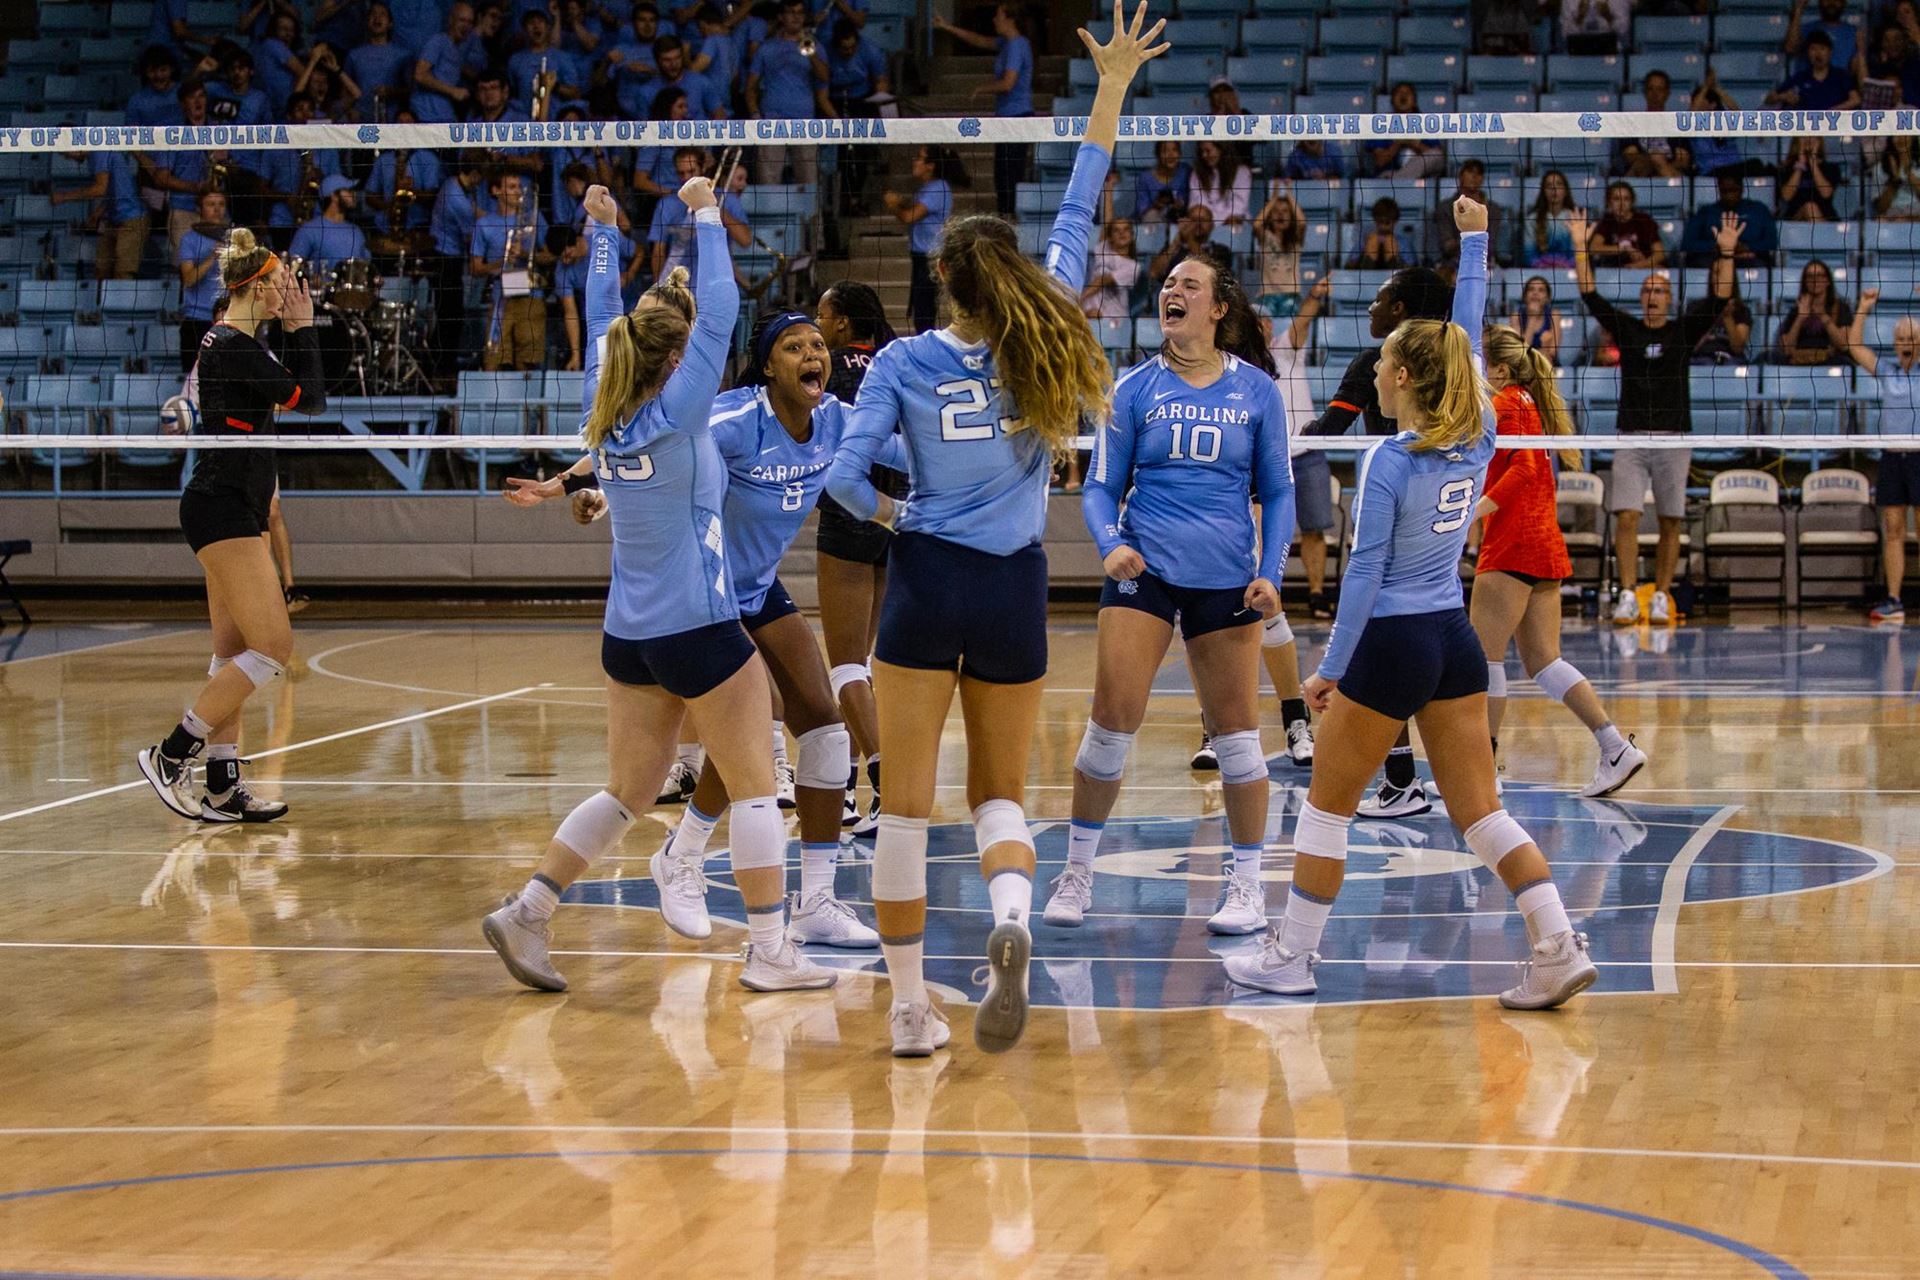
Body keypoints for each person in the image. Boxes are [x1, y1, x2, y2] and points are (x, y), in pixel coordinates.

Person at [824, 0, 1164, 1059]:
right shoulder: (1049, 320)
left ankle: (916, 1006)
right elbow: (1079, 196)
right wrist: (1108, 86)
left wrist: (899, 513)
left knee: (908, 809)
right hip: (1016, 583)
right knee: (1003, 794)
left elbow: (840, 482)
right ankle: (1014, 922)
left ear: (940, 282)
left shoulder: (901, 362)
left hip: (926, 577)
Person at [1222, 195, 1600, 1013]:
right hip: (1453, 638)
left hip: (1393, 641)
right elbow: (1462, 335)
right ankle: (1557, 943)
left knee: (1326, 807)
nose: (1379, 373)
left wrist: (1327, 670)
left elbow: (1361, 579)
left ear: (1398, 377)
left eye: (1386, 363)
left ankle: (1291, 956)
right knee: (1482, 814)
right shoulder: (1479, 435)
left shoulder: (1392, 460)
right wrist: (1474, 240)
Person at [481, 176, 838, 995]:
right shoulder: (680, 410)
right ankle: (772, 952)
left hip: (629, 634)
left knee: (629, 790)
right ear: (677, 360)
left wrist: (603, 230)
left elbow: (608, 312)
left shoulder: (600, 407)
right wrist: (704, 212)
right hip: (702, 627)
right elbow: (718, 305)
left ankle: (531, 910)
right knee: (754, 788)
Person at [510, 312, 889, 948]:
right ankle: (687, 863)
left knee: (825, 735)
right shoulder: (734, 419)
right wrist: (582, 485)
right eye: (793, 346)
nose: (811, 353)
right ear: (768, 366)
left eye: (818, 344)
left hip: (759, 589)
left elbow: (899, 449)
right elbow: (646, 446)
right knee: (753, 737)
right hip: (704, 597)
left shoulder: (835, 423)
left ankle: (816, 902)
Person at [1046, 248, 1293, 937]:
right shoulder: (1133, 388)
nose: (1172, 292)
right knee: (1108, 726)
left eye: (1190, 285)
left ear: (1218, 309)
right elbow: (1099, 485)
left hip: (1225, 579)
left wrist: (1270, 572)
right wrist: (1109, 545)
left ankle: (1247, 886)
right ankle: (1078, 872)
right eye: (1168, 284)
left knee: (1239, 739)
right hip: (1144, 571)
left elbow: (1276, 490)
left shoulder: (1257, 393)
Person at [136, 228, 325, 824]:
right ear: (259, 286)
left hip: (237, 505)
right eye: (281, 283)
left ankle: (222, 783)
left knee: (233, 651)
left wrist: (289, 332)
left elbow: (288, 398)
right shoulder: (231, 345)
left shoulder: (243, 343)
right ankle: (172, 754)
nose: (288, 290)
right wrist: (304, 328)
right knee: (273, 648)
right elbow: (311, 399)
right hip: (220, 507)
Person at [1473, 325, 1649, 796]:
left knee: (1484, 662)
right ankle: (1615, 747)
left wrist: (1476, 508)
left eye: (1479, 363)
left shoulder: (1506, 402)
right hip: (1542, 543)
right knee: (1544, 662)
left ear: (1501, 369)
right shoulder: (1527, 403)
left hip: (1512, 545)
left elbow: (1525, 468)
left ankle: (1483, 770)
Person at [1569, 207, 1741, 626]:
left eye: (1659, 290)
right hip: (1631, 436)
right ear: (1641, 297)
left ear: (1668, 298)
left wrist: (1727, 253)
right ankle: (1628, 593)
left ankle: (1662, 595)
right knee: (1626, 515)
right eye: (1647, 290)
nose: (1652, 295)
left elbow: (1720, 298)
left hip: (1673, 437)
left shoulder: (1683, 330)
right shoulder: (1627, 329)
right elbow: (1589, 295)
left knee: (1670, 519)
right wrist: (1579, 244)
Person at [811, 280, 902, 834]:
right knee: (861, 666)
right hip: (891, 514)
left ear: (842, 322)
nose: (814, 329)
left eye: (821, 317)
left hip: (847, 513)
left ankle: (886, 781)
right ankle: (843, 785)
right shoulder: (895, 362)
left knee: (844, 664)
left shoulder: (825, 370)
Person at [1268, 276, 1333, 742]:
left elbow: (1304, 320)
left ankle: (1314, 594)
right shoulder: (1242, 361)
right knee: (1270, 527)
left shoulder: (1285, 347)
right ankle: (1268, 592)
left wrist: (1314, 295)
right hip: (1270, 451)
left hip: (1307, 445)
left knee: (1315, 528)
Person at [1844, 290, 1920, 622]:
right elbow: (1854, 347)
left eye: (1912, 338)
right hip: (1892, 457)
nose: (1906, 342)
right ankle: (1893, 599)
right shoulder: (1887, 372)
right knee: (1893, 529)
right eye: (1901, 338)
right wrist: (1862, 309)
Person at [934, 3, 1035, 215]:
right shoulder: (1006, 43)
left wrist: (981, 88)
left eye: (998, 16)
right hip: (1005, 118)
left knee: (1010, 176)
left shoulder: (1017, 45)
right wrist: (948, 27)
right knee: (1002, 175)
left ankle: (1010, 220)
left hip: (1017, 119)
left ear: (1010, 19)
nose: (994, 20)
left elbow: (1008, 83)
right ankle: (1004, 217)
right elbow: (980, 40)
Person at [469, 169, 552, 372]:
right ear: (496, 191)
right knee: (494, 359)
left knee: (528, 360)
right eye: (511, 187)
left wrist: (524, 253)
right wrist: (502, 261)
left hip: (530, 293)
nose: (518, 192)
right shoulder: (484, 224)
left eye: (519, 188)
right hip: (500, 296)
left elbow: (549, 257)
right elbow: (475, 268)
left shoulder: (533, 217)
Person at [745, 0, 831, 187]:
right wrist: (755, 114)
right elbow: (750, 87)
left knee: (809, 182)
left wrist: (808, 48)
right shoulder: (766, 48)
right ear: (781, 17)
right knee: (768, 181)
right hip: (772, 122)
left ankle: (812, 218)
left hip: (805, 120)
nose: (795, 17)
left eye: (800, 13)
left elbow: (824, 76)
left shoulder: (815, 46)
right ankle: (769, 217)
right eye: (791, 12)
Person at [883, 145, 962, 334]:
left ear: (930, 165)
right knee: (921, 310)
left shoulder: (938, 188)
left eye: (919, 158)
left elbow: (909, 216)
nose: (914, 161)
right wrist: (901, 201)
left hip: (930, 259)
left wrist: (893, 205)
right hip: (922, 257)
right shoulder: (930, 188)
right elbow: (917, 208)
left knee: (924, 313)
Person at [52, 148, 149, 282]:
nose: (67, 158)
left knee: (123, 272)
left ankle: (119, 303)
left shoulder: (99, 152)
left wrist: (64, 197)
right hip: (114, 218)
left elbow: (100, 189)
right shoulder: (95, 156)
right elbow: (114, 188)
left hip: (132, 218)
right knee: (101, 269)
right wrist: (98, 213)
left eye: (65, 153)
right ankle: (102, 302)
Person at [177, 189, 230, 375]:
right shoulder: (189, 240)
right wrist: (212, 257)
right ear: (200, 208)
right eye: (210, 204)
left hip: (228, 321)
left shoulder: (234, 238)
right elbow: (189, 279)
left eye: (221, 204)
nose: (217, 209)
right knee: (193, 381)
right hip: (197, 321)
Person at [1681, 171, 1777, 265]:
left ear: (1742, 189)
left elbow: (1771, 242)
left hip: (1749, 258)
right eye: (1724, 191)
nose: (1729, 195)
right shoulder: (1706, 212)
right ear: (1719, 190)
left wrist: (1747, 247)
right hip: (1715, 258)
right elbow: (1687, 244)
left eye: (1733, 190)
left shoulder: (1758, 209)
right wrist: (1719, 246)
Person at [1610, 70, 1693, 179]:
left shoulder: (1677, 124)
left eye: (1660, 89)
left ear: (1667, 94)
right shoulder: (1631, 123)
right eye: (1651, 89)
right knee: (1650, 161)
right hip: (1639, 174)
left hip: (1668, 173)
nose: (1655, 94)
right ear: (1645, 92)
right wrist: (1654, 160)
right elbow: (1630, 156)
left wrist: (1661, 166)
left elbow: (1683, 161)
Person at [287, 175, 371, 276]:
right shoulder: (309, 230)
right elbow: (292, 268)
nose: (353, 194)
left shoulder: (356, 231)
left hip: (353, 291)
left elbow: (365, 268)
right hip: (320, 290)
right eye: (348, 190)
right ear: (334, 196)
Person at [1433, 159, 1506, 273]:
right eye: (1470, 171)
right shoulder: (1445, 208)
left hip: (1485, 263)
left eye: (1479, 173)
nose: (1474, 176)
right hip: (1453, 264)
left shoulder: (1493, 209)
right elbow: (1447, 246)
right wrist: (1473, 237)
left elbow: (1491, 244)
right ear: (1461, 176)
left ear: (1482, 179)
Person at [411, 1, 479, 123]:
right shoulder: (438, 41)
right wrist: (453, 91)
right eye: (462, 20)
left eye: (470, 22)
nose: (466, 26)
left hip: (444, 113)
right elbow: (420, 75)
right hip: (427, 113)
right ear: (451, 20)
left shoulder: (458, 49)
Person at [1775, 260, 1854, 364]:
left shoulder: (1841, 308)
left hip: (1830, 361)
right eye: (1810, 276)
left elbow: (1843, 345)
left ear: (1827, 281)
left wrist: (1823, 316)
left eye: (1820, 275)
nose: (1815, 280)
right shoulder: (1796, 311)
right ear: (1805, 282)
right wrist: (1800, 318)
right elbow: (1787, 350)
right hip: (1799, 361)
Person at [1767, 29, 1861, 110]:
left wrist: (1831, 112)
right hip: (1807, 129)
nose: (1818, 54)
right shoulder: (1800, 77)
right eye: (1813, 49)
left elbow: (1856, 100)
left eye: (1822, 49)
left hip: (1835, 127)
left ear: (1830, 52)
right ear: (1808, 53)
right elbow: (1770, 98)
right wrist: (1783, 97)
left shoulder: (1841, 76)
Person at [1587, 181, 1666, 268]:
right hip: (1615, 273)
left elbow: (1660, 254)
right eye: (1616, 199)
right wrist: (1624, 248)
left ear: (1632, 202)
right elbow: (1593, 248)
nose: (1621, 204)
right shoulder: (1607, 221)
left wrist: (1639, 265)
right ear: (1609, 203)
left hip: (1643, 267)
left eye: (1626, 199)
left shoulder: (1644, 220)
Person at [1253, 187, 1305, 319]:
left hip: (1290, 294)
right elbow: (1257, 224)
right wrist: (1274, 197)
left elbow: (1302, 222)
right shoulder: (1266, 238)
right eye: (1276, 211)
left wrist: (1288, 193)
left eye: (1285, 211)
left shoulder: (1295, 240)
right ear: (1270, 217)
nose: (1280, 215)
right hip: (1267, 295)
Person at [1081, 214, 1143, 322]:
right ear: (1110, 237)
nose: (1121, 233)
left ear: (1132, 235)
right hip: (1086, 315)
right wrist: (1108, 196)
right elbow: (1107, 220)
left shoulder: (1133, 267)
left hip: (1112, 321)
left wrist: (1078, 300)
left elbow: (1102, 280)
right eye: (1116, 230)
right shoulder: (1103, 249)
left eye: (1126, 229)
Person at [1778, 137, 1844, 222]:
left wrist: (1813, 163)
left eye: (1813, 136)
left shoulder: (1830, 168)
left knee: (1812, 208)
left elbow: (1826, 193)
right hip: (1795, 218)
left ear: (1819, 141)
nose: (1808, 139)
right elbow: (1786, 196)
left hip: (1826, 216)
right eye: (1804, 136)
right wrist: (1800, 165)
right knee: (1810, 207)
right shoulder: (1787, 168)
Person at [1188, 139, 1250, 228]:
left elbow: (1238, 208)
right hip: (1203, 227)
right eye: (1201, 152)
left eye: (1208, 151)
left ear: (1221, 149)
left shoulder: (1242, 172)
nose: (1204, 155)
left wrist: (1213, 220)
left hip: (1233, 227)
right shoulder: (1196, 174)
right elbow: (1195, 205)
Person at [1522, 169, 1576, 269]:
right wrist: (1545, 266)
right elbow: (1528, 256)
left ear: (1565, 191)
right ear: (1543, 191)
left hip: (1570, 274)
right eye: (1549, 186)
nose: (1554, 189)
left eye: (1559, 184)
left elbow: (1578, 254)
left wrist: (1564, 266)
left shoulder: (1576, 218)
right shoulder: (1531, 220)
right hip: (1539, 273)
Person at [1508, 274, 1561, 366]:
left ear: (1547, 298)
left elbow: (1553, 352)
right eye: (1531, 289)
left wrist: (1544, 351)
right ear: (1525, 296)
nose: (1535, 293)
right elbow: (1520, 352)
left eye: (1541, 290)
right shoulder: (1516, 317)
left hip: (1547, 365)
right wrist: (1532, 318)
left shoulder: (1554, 315)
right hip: (1523, 365)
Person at [1134, 139, 1190, 225]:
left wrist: (1180, 204)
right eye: (1165, 151)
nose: (1170, 155)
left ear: (1180, 153)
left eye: (1174, 150)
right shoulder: (1145, 177)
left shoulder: (1186, 171)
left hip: (1181, 218)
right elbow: (1141, 210)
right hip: (1154, 220)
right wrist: (1157, 205)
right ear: (1158, 155)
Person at [1350, 197, 1413, 269]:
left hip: (1395, 276)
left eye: (1387, 223)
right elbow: (1349, 267)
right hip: (1367, 276)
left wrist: (1394, 257)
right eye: (1380, 222)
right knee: (1372, 244)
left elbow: (1411, 269)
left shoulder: (1403, 243)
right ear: (1375, 220)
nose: (1383, 226)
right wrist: (1367, 255)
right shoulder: (1364, 241)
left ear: (1395, 221)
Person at [1873, 135, 1920, 220]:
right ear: (1891, 139)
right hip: (1892, 217)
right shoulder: (1879, 168)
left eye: (1906, 135)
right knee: (1880, 219)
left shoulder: (1918, 166)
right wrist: (1895, 180)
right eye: (1897, 135)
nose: (1901, 138)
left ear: (1913, 138)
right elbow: (1881, 208)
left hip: (1916, 216)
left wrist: (1907, 171)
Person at [1562, 0, 1626, 54]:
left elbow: (1624, 32)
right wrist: (1580, 17)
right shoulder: (1569, 1)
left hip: (1613, 54)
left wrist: (1608, 16)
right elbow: (1565, 34)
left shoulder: (1618, 1)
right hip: (1577, 53)